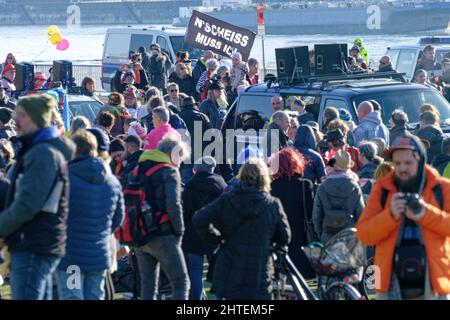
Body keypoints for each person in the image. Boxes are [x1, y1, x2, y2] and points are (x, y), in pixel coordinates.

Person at [356, 135, 450, 300]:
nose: (402, 169)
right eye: (397, 163)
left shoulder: (441, 189)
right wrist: (390, 215)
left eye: (408, 163)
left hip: (433, 281)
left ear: (420, 162)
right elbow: (363, 234)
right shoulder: (382, 190)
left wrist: (426, 214)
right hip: (389, 281)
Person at [0, 94, 75, 300]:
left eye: (22, 115)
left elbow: (28, 204)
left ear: (35, 119)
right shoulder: (38, 150)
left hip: (34, 242)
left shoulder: (43, 153)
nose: (15, 120)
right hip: (36, 241)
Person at [193, 158, 291, 300]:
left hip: (230, 269)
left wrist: (217, 239)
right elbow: (285, 237)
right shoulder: (272, 204)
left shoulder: (228, 199)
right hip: (259, 270)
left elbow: (199, 218)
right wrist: (270, 246)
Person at [56, 130, 124, 300]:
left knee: (72, 296)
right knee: (95, 296)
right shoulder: (112, 181)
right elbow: (118, 217)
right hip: (98, 253)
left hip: (71, 255)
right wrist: (101, 232)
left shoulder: (65, 178)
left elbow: (53, 215)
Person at [134, 134, 191, 300]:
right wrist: (179, 232)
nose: (180, 163)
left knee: (149, 287)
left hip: (140, 234)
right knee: (181, 283)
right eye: (180, 158)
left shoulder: (140, 167)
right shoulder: (169, 171)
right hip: (163, 234)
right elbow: (174, 205)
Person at [181, 156, 227, 299]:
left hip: (193, 235)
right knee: (220, 272)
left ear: (195, 170)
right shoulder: (222, 186)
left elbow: (184, 213)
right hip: (216, 234)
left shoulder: (189, 187)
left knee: (195, 272)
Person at [270, 148, 316, 278]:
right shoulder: (304, 185)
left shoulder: (271, 187)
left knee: (282, 279)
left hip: (279, 236)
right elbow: (311, 212)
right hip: (300, 236)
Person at [313, 149, 364, 244]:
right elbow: (361, 216)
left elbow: (316, 216)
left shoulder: (322, 187)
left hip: (327, 237)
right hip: (349, 239)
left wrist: (321, 234)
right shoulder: (354, 187)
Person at [178, 96, 211, 184]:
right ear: (194, 105)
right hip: (201, 156)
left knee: (185, 185)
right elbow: (211, 137)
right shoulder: (203, 117)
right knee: (201, 184)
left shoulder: (178, 118)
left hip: (185, 157)